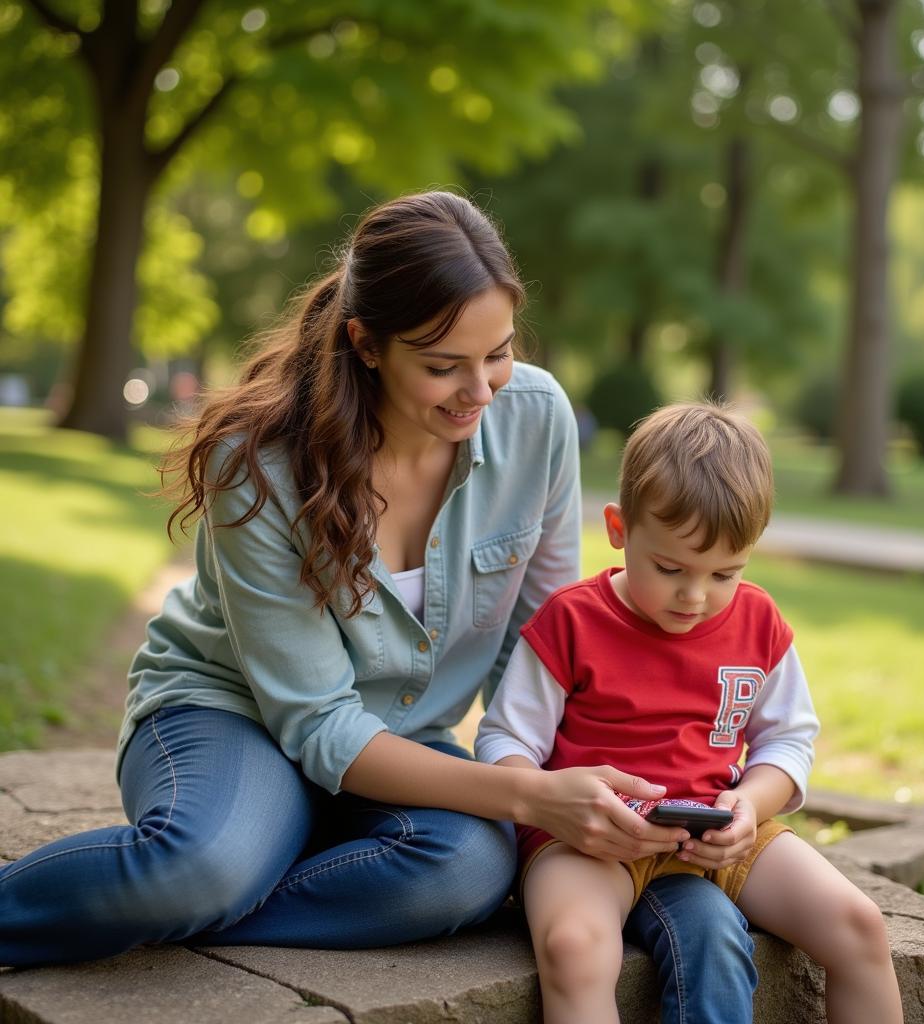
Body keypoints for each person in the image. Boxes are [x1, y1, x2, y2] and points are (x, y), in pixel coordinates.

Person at [0, 192, 755, 1024]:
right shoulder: (258, 463)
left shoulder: (535, 420)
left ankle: (234, 889)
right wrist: (529, 800)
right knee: (202, 867)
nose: (480, 392)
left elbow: (538, 648)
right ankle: (203, 884)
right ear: (365, 343)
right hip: (232, 713)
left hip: (403, 739)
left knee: (467, 868)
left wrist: (560, 790)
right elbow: (318, 723)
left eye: (498, 353)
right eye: (442, 365)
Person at [477, 401, 904, 1024]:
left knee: (860, 925)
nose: (696, 596)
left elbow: (788, 741)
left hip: (717, 831)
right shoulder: (571, 621)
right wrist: (551, 799)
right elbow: (505, 740)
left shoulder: (758, 623)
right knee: (574, 949)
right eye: (670, 568)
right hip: (591, 840)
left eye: (725, 573)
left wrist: (750, 806)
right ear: (620, 529)